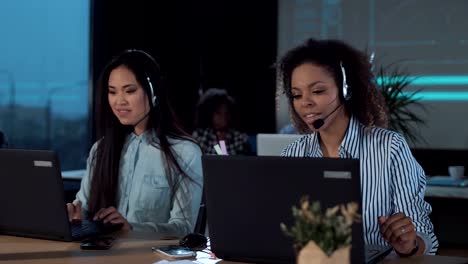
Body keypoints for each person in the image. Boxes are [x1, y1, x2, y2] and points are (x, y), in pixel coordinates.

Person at [278, 39, 438, 256]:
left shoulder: (389, 148)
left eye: (317, 91)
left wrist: (411, 244)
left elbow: (424, 237)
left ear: (346, 90)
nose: (305, 102)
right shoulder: (293, 155)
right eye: (296, 95)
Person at [66, 49, 203, 237]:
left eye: (130, 91)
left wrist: (131, 229)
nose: (119, 101)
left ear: (153, 92)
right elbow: (84, 208)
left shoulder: (185, 152)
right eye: (112, 92)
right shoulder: (101, 150)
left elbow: (183, 228)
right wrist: (74, 216)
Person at [192, 88, 251, 155]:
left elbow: (224, 159)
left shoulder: (240, 138)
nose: (223, 116)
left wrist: (222, 142)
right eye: (218, 113)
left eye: (226, 112)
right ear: (209, 114)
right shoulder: (200, 135)